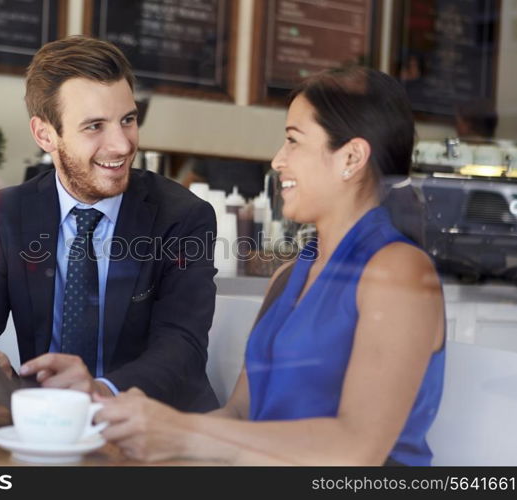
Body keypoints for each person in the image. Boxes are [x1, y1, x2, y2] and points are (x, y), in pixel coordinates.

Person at [94, 66, 446, 466]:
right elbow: (241, 413)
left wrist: (182, 432)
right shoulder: (289, 276)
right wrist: (151, 436)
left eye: (293, 141)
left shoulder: (398, 271)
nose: (278, 160)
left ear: (351, 157)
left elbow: (356, 449)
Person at [0, 36, 219, 412]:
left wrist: (100, 390)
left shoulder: (183, 217)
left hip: (158, 430)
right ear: (45, 134)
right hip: (48, 426)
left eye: (128, 120)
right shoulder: (10, 211)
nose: (122, 145)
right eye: (95, 126)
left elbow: (182, 348)